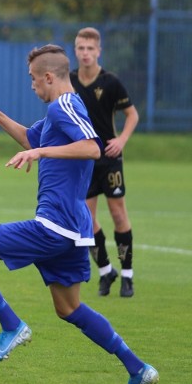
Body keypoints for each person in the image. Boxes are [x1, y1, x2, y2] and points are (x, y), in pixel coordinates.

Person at [0, 44, 158, 384]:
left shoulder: (64, 106)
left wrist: (40, 151)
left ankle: (11, 326)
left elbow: (92, 147)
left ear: (48, 77)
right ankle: (138, 368)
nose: (31, 86)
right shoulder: (59, 112)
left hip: (54, 225)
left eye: (33, 80)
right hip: (73, 230)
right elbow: (32, 138)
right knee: (68, 307)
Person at [70, 27, 140, 298]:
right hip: (84, 160)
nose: (86, 53)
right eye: (81, 48)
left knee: (118, 214)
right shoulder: (70, 80)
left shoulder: (111, 82)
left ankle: (127, 275)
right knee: (86, 219)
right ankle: (105, 270)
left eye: (90, 49)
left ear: (99, 51)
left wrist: (121, 140)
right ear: (75, 51)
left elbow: (132, 115)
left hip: (109, 159)